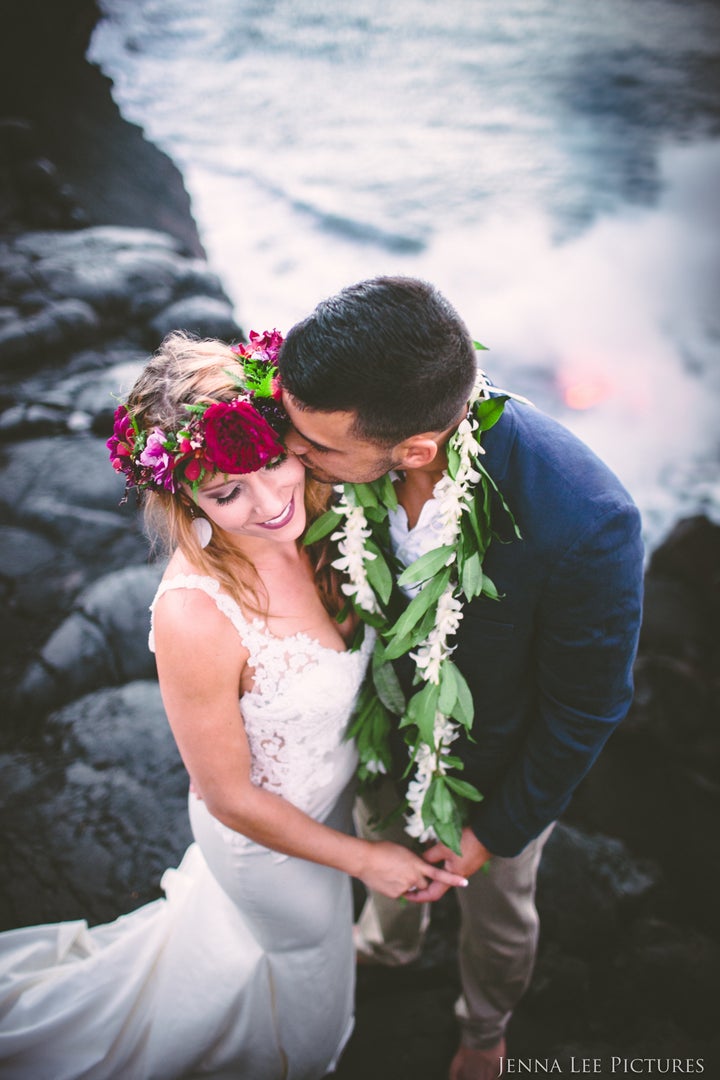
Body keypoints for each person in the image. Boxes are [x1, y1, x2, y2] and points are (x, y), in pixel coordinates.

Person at [0, 330, 467, 1080]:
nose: (270, 501)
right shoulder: (196, 616)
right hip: (268, 849)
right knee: (307, 1018)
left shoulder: (329, 513)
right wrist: (366, 861)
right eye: (226, 494)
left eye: (271, 462)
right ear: (182, 495)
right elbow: (227, 796)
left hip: (336, 803)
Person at [277, 277, 645, 1080]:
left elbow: (586, 709)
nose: (292, 459)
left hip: (496, 768)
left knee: (499, 915)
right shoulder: (335, 424)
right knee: (380, 842)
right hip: (375, 728)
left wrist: (492, 832)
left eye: (317, 452)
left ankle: (485, 1029)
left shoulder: (584, 520)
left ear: (415, 449)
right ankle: (387, 945)